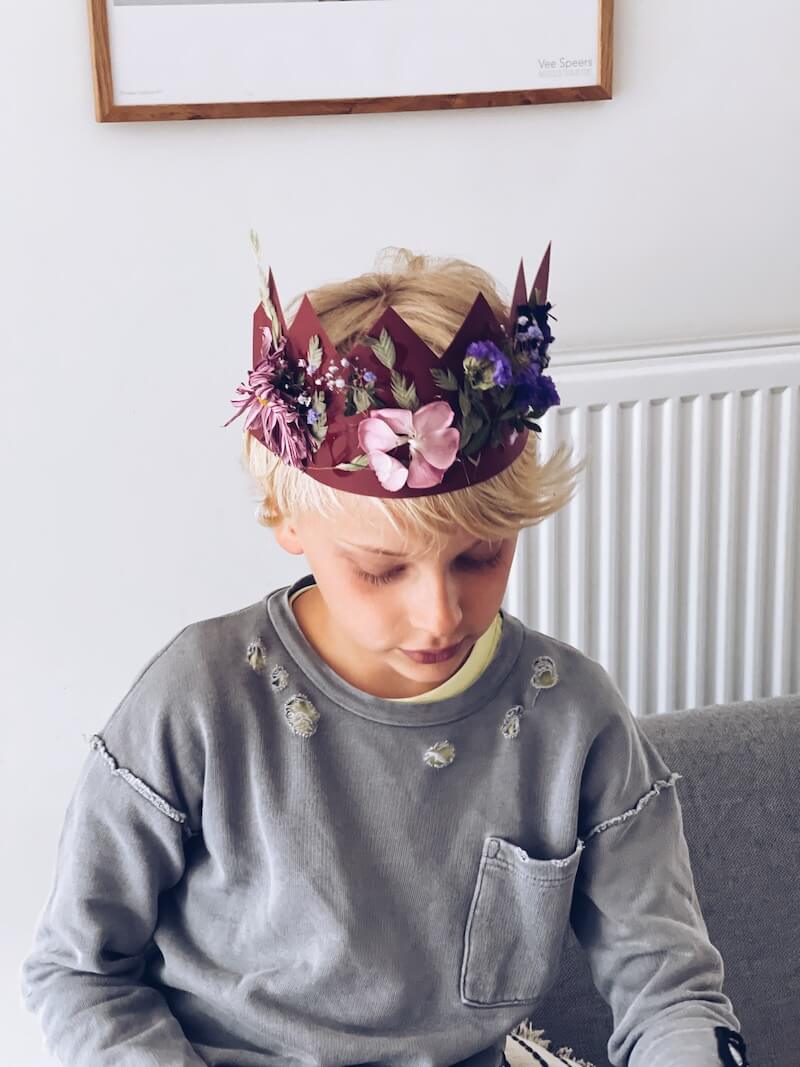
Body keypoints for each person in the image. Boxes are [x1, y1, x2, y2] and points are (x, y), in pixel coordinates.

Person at [20, 240, 750, 1067]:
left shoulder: (574, 718)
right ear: (286, 520)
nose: (441, 615)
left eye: (481, 557)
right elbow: (80, 972)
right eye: (380, 569)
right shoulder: (197, 701)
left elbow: (671, 991)